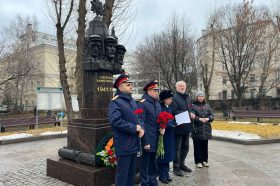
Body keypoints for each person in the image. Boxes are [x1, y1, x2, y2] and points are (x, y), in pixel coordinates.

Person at [108, 73, 145, 186]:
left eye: (130, 84)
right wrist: (134, 128)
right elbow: (115, 121)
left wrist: (141, 128)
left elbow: (137, 117)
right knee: (123, 176)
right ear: (120, 87)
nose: (131, 86)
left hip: (134, 143)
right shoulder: (115, 102)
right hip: (124, 144)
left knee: (131, 174)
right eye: (128, 85)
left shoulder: (132, 101)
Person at [138, 80, 161, 186]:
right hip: (147, 139)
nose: (157, 92)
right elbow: (141, 123)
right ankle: (145, 182)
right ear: (149, 91)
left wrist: (163, 127)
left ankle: (153, 180)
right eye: (155, 90)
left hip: (156, 138)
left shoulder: (157, 103)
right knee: (145, 163)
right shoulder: (142, 104)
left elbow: (159, 119)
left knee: (153, 161)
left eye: (157, 90)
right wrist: (145, 141)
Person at [171, 81, 195, 176]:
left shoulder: (187, 97)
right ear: (176, 87)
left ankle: (182, 164)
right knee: (177, 148)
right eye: (180, 86)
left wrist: (192, 113)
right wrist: (187, 113)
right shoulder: (174, 98)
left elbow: (191, 108)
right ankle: (176, 167)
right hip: (178, 127)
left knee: (185, 148)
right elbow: (174, 111)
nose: (182, 87)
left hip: (187, 126)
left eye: (184, 86)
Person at [156, 90, 176, 184]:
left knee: (168, 155)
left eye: (171, 98)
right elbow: (160, 120)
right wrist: (170, 125)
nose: (171, 100)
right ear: (164, 99)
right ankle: (162, 175)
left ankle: (166, 173)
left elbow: (171, 119)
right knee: (163, 155)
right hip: (163, 135)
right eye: (169, 99)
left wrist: (175, 123)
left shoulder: (169, 107)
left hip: (170, 134)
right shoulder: (160, 107)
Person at [191, 91, 214, 168]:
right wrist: (199, 119)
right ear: (197, 97)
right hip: (197, 129)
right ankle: (198, 161)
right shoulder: (193, 106)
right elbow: (192, 116)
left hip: (206, 129)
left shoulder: (207, 106)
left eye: (202, 96)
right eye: (199, 96)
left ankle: (205, 160)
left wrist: (208, 118)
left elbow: (212, 116)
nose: (201, 98)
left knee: (205, 145)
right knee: (197, 146)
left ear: (204, 97)